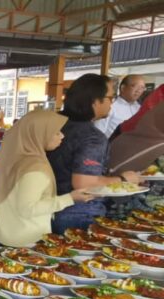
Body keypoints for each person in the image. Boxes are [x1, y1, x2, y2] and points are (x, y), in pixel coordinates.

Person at [47, 74, 142, 234]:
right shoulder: (92, 137)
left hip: (48, 207)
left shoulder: (53, 124)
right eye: (110, 98)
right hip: (78, 212)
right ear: (95, 101)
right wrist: (123, 180)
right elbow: (84, 183)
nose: (111, 103)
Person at [0, 110, 93, 247]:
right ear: (39, 134)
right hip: (24, 242)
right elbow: (27, 209)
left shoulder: (16, 157)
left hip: (7, 235)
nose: (62, 136)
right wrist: (70, 198)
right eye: (56, 132)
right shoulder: (35, 167)